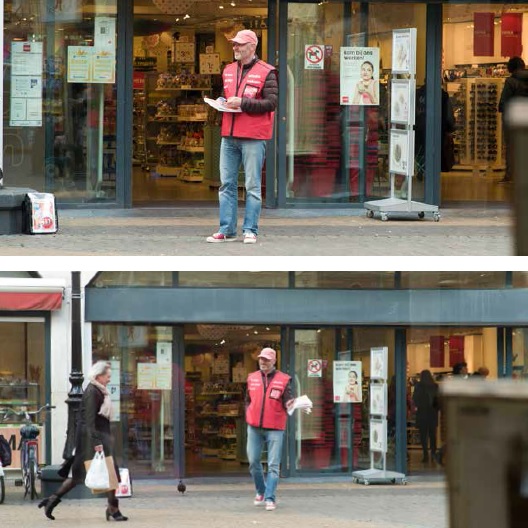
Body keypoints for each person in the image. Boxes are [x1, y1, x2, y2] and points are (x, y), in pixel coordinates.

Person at [206, 29, 278, 245]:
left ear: (252, 47)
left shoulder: (267, 71)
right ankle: (226, 230)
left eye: (239, 44)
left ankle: (250, 230)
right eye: (234, 44)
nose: (235, 47)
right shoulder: (227, 70)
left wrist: (243, 103)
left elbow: (271, 103)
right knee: (226, 184)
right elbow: (229, 96)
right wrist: (221, 102)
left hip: (253, 137)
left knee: (252, 186)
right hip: (228, 135)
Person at [38, 361, 127, 521]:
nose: (109, 379)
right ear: (99, 376)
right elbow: (88, 420)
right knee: (79, 476)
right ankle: (52, 500)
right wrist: (97, 442)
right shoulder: (92, 392)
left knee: (111, 474)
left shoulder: (100, 391)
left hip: (97, 438)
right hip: (91, 441)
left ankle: (113, 508)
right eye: (107, 376)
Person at [245, 347, 294, 511]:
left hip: (275, 427)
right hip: (254, 427)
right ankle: (261, 490)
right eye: (261, 359)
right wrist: (249, 414)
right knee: (253, 461)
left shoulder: (284, 379)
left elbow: (288, 402)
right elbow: (247, 400)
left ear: (273, 361)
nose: (263, 362)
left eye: (266, 359)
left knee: (273, 465)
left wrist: (294, 404)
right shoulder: (251, 378)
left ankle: (270, 498)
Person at [414, 83, 455, 180]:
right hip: (438, 128)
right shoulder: (443, 95)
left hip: (420, 128)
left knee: (420, 149)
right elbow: (449, 116)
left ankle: (421, 169)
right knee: (435, 150)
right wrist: (450, 127)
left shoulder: (417, 93)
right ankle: (433, 172)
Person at [497, 56, 528, 183]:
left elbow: (504, 103)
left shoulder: (511, 81)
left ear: (511, 67)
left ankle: (510, 175)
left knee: (511, 148)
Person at [412, 369, 439, 463]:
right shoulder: (435, 386)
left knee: (423, 435)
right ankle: (434, 453)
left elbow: (415, 399)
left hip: (422, 413)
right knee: (432, 435)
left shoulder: (418, 386)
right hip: (432, 413)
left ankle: (425, 454)